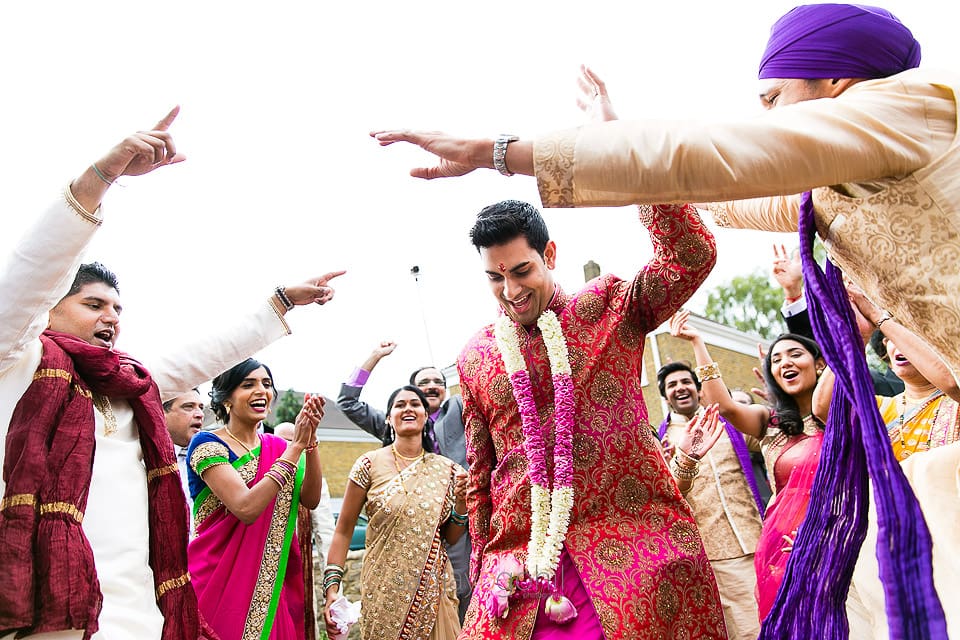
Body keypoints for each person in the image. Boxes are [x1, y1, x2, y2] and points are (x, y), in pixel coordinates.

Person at [0, 110, 341, 640]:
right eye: (93, 304)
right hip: (45, 617)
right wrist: (100, 179)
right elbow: (28, 272)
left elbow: (202, 356)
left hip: (137, 614)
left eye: (117, 308)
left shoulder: (127, 388)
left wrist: (278, 304)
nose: (111, 317)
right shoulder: (17, 365)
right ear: (49, 308)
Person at [449, 200, 725, 639]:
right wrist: (484, 575)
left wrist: (626, 164)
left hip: (631, 559)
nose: (510, 290)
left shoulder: (608, 308)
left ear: (550, 255)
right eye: (495, 277)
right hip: (520, 575)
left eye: (522, 271)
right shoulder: (476, 355)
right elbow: (482, 479)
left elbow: (690, 256)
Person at [669, 311, 826, 622]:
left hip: (841, 532)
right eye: (777, 360)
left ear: (821, 364)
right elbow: (724, 406)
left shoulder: (844, 413)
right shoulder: (771, 422)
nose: (785, 363)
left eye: (795, 354)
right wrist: (698, 342)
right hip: (788, 546)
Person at [187, 359, 324, 640]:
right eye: (248, 385)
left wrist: (310, 444)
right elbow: (245, 507)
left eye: (266, 384)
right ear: (226, 398)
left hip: (271, 587)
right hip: (219, 580)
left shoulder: (279, 448)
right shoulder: (207, 444)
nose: (261, 390)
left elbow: (310, 499)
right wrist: (296, 447)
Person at [336, 342, 472, 620]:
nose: (433, 385)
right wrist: (373, 356)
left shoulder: (458, 412)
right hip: (406, 537)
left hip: (456, 527)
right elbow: (347, 402)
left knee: (460, 597)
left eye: (439, 381)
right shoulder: (400, 423)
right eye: (424, 382)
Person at [656, 362, 765, 640]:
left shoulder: (728, 424)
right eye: (672, 385)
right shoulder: (662, 441)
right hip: (714, 553)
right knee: (746, 630)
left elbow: (770, 436)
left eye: (685, 381)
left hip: (759, 537)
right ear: (665, 396)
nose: (680, 387)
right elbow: (665, 497)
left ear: (697, 388)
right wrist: (674, 462)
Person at [164, 388, 206, 530]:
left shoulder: (213, 458)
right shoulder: (141, 461)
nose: (200, 414)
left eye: (201, 408)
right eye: (188, 407)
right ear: (162, 413)